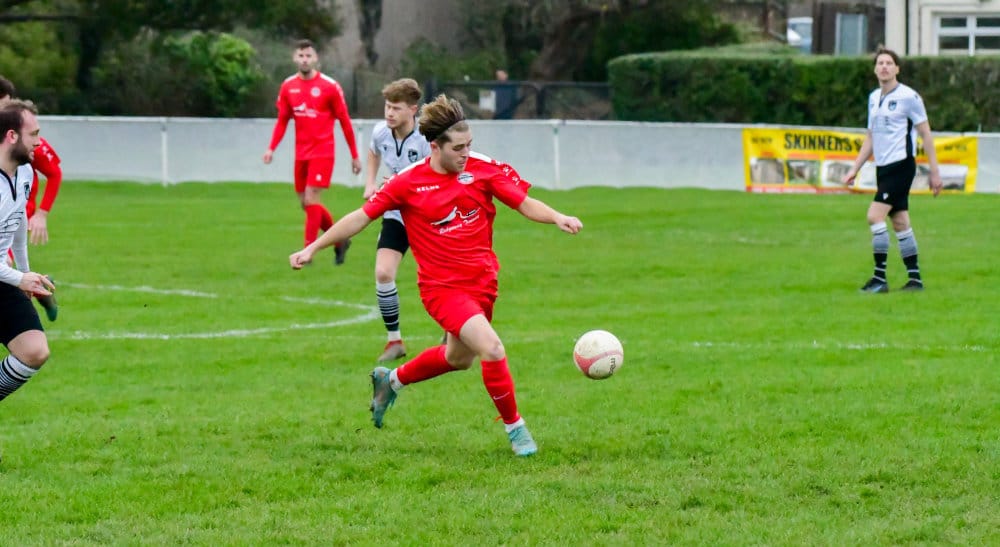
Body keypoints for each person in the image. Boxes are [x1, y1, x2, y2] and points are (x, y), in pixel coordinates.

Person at [290, 94, 583, 457]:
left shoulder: (482, 169)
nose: (465, 153)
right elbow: (360, 218)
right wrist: (313, 247)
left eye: (469, 145)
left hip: (483, 283)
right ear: (434, 146)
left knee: (459, 358)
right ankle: (516, 430)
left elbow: (523, 203)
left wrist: (557, 217)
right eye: (458, 148)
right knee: (492, 348)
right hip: (442, 289)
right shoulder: (408, 182)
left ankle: (391, 381)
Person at [842, 47, 942, 293]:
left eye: (889, 63)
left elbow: (926, 134)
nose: (884, 67)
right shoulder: (874, 98)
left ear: (897, 69)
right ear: (875, 69)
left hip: (901, 165)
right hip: (883, 168)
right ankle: (915, 280)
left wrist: (935, 172)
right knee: (900, 222)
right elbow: (871, 137)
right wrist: (855, 168)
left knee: (874, 216)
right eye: (880, 63)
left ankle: (879, 279)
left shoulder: (909, 97)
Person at [263, 39, 362, 265]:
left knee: (311, 198)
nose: (305, 60)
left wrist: (354, 155)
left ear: (316, 58)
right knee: (306, 203)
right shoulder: (288, 86)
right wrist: (271, 148)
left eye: (308, 55)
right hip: (301, 153)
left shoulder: (329, 86)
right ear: (294, 58)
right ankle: (340, 240)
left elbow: (345, 121)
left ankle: (307, 252)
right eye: (301, 55)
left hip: (323, 151)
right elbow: (282, 121)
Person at [0, 100, 55, 462]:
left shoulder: (25, 173)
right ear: (11, 136)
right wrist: (20, 277)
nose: (39, 141)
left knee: (35, 350)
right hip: (5, 275)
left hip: (3, 276)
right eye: (33, 134)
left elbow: (18, 225)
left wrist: (26, 274)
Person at [363, 78, 431, 362]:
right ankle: (395, 341)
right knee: (383, 273)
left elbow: (436, 177)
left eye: (396, 108)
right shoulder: (381, 131)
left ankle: (454, 333)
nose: (389, 113)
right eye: (387, 107)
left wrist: (402, 184)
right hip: (396, 215)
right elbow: (373, 152)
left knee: (439, 278)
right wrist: (370, 183)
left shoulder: (427, 138)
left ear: (413, 110)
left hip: (428, 216)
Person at [0, 75, 59, 321]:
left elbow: (54, 173)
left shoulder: (25, 148)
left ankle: (34, 289)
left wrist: (41, 213)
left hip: (13, 219)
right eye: (4, 105)